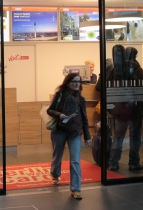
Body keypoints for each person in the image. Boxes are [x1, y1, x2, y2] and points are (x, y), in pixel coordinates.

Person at [47, 72, 91, 200]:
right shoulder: (60, 95)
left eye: (79, 81)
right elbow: (50, 110)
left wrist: (87, 136)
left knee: (75, 160)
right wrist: (59, 114)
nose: (77, 84)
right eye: (74, 81)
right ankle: (55, 174)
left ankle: (76, 189)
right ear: (68, 83)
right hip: (59, 130)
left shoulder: (81, 99)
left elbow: (84, 118)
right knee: (57, 155)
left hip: (75, 132)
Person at [107, 45, 143, 172]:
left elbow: (106, 86)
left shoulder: (115, 70)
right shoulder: (138, 69)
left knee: (118, 137)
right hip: (135, 109)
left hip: (120, 109)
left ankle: (113, 162)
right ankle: (133, 163)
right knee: (135, 138)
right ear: (135, 55)